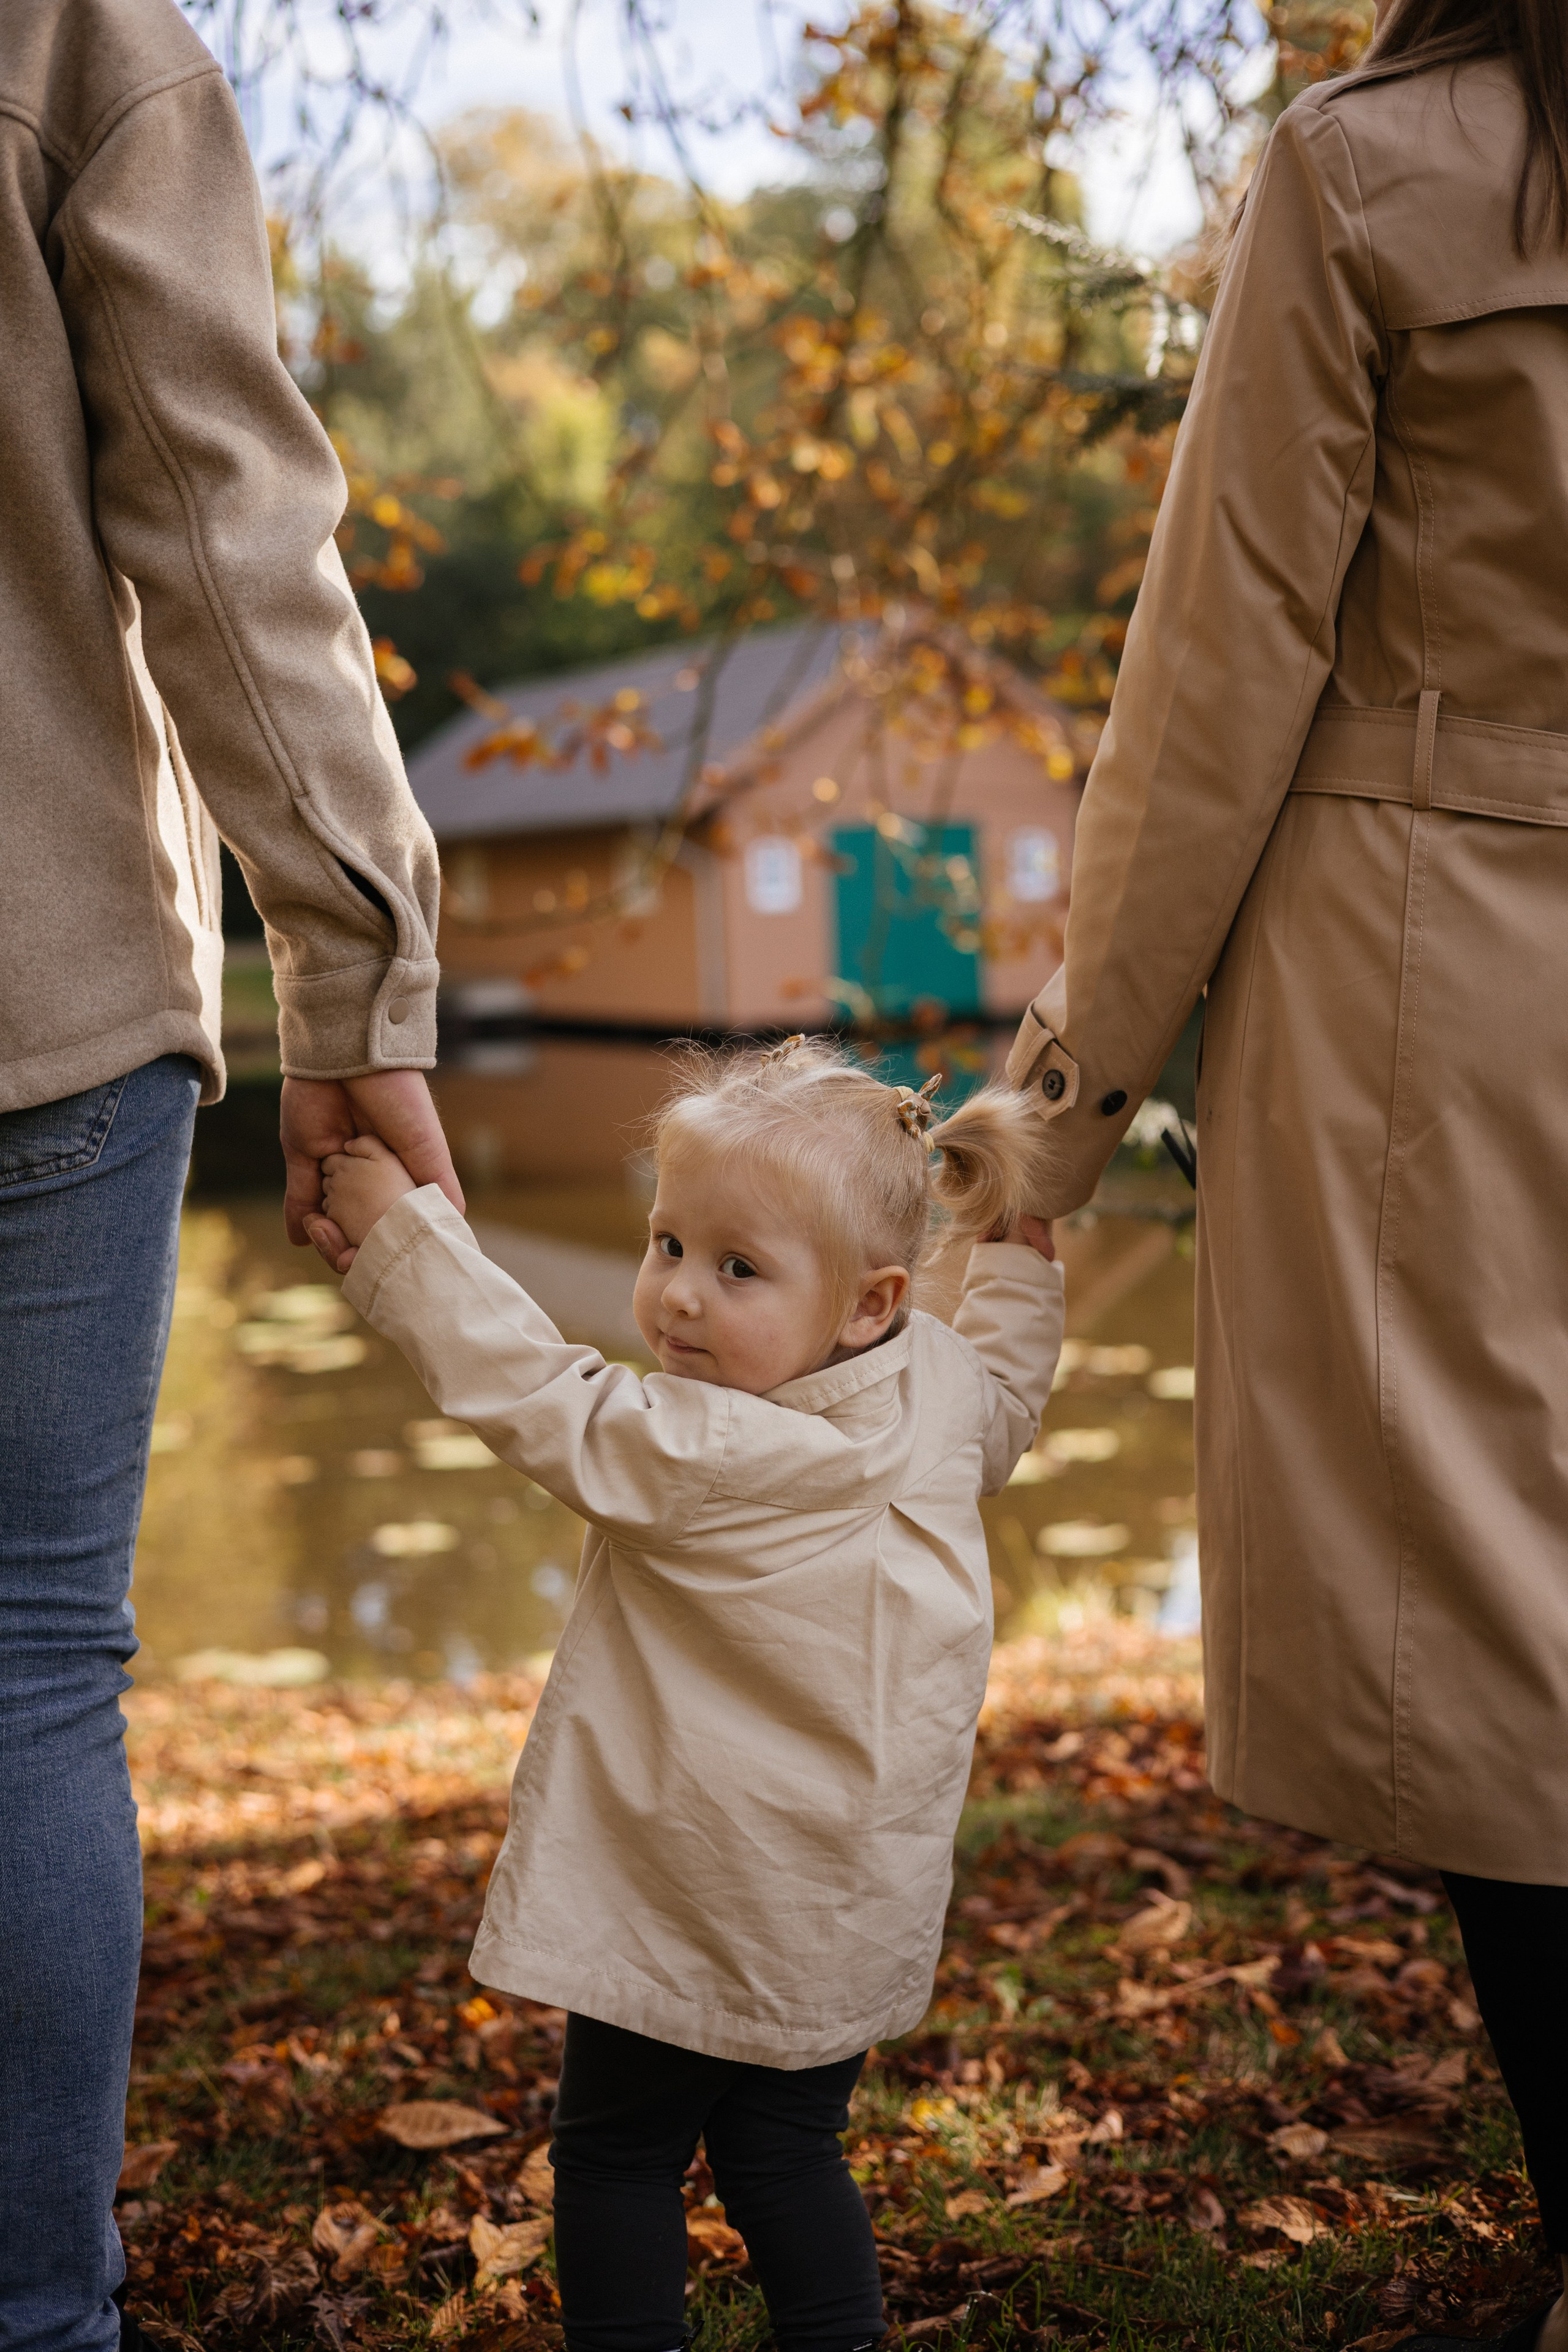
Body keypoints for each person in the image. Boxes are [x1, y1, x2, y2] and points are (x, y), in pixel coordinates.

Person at [999, 0, 1568, 2342]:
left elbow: (1216, 662)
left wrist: (1064, 1093)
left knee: (1507, 1625)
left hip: (1440, 960)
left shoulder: (1370, 166)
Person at [0, 4, 461, 2346]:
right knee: (23, 1676)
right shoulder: (73, 28)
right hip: (38, 975)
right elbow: (218, 514)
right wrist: (360, 984)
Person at [311, 1039, 1063, 2352]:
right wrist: (1015, 1262)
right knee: (784, 2150)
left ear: (869, 1302)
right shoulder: (933, 1388)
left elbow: (536, 1394)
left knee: (612, 2156)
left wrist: (404, 1244)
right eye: (667, 1244)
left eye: (737, 1269)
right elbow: (1004, 1396)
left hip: (693, 1890)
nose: (678, 1302)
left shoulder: (715, 1448)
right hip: (843, 1898)